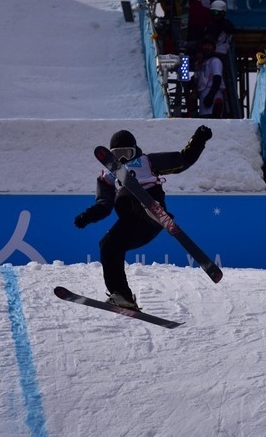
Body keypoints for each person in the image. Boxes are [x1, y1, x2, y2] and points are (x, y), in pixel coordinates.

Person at [73, 126, 213, 310]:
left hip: (150, 209)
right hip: (134, 225)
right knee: (107, 244)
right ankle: (122, 295)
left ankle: (153, 211)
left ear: (135, 150)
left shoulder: (147, 161)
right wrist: (87, 216)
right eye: (118, 154)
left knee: (127, 193)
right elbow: (104, 205)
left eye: (127, 153)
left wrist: (199, 139)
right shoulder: (107, 177)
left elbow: (183, 160)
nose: (123, 159)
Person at [187, 38, 226, 118]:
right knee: (204, 119)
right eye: (204, 45)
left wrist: (211, 95)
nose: (206, 48)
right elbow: (198, 80)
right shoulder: (202, 63)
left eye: (209, 45)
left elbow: (217, 78)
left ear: (213, 48)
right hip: (203, 95)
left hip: (213, 94)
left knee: (212, 119)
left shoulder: (215, 61)